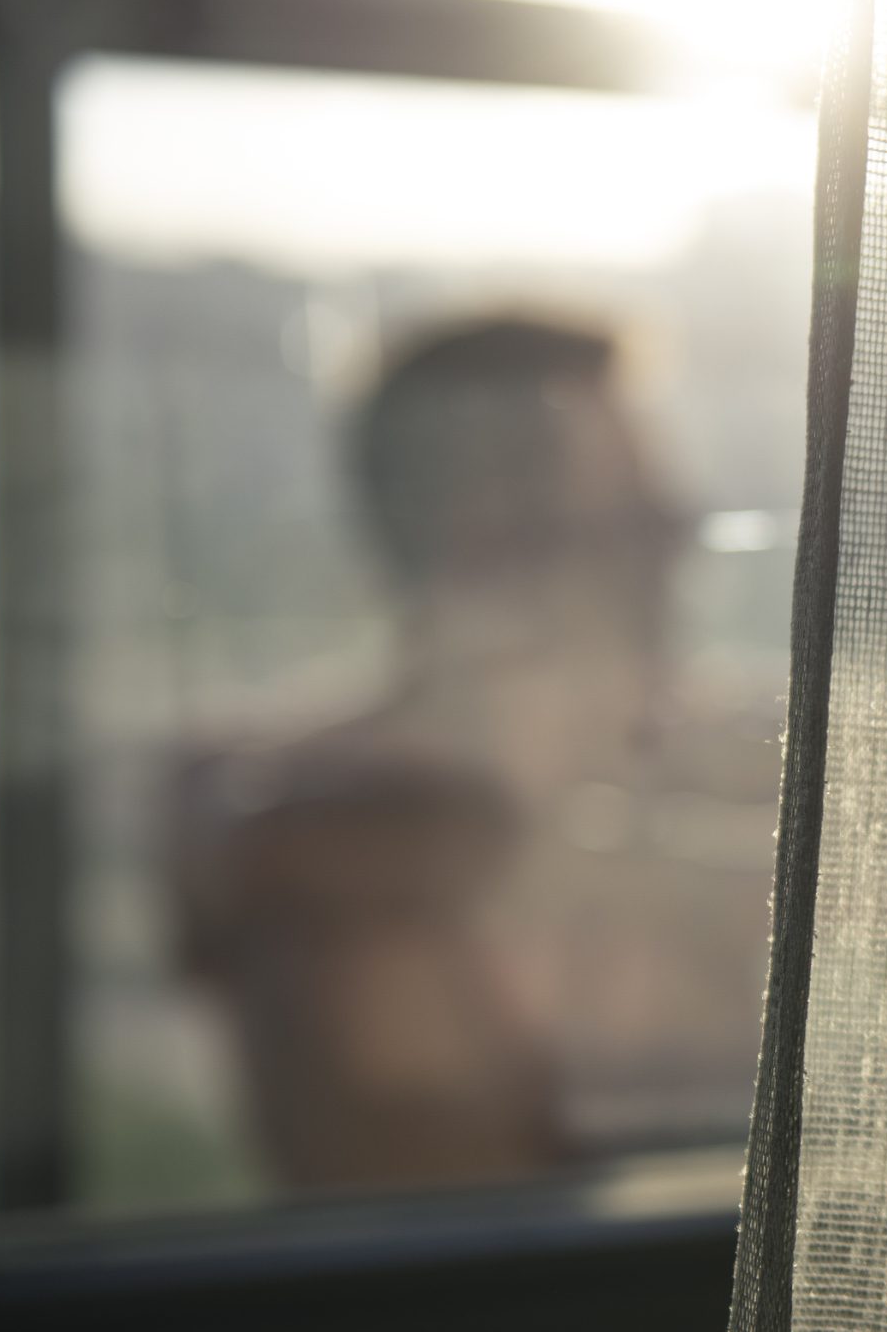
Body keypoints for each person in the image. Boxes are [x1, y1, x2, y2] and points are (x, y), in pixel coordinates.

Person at [167, 317, 773, 1192]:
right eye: (633, 512)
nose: (679, 543)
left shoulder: (727, 756)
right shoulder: (318, 843)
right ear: (485, 544)